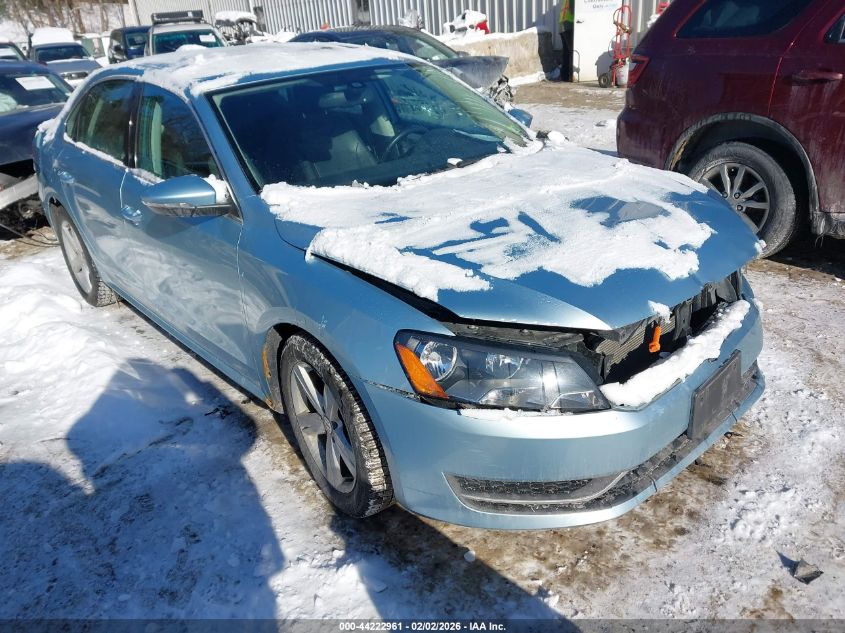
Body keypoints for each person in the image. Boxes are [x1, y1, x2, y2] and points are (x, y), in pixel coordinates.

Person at [559, 0, 575, 82]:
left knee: (566, 52)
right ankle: (570, 75)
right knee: (572, 52)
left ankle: (564, 76)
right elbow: (574, 12)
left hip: (563, 26)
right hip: (568, 26)